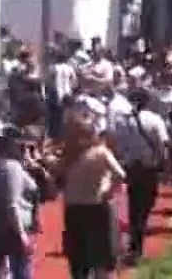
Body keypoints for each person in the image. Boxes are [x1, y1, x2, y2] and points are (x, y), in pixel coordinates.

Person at [57, 114, 126, 279]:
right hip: (97, 207)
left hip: (75, 209)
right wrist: (108, 192)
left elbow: (56, 180)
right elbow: (120, 175)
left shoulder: (69, 156)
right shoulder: (100, 152)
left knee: (79, 259)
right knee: (100, 258)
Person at [110, 87, 169, 264]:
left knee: (134, 205)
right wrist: (165, 166)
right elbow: (162, 145)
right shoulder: (154, 120)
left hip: (130, 168)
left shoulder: (121, 121)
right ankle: (137, 245)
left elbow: (116, 143)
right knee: (146, 206)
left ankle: (135, 244)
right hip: (148, 169)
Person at [0, 127, 45, 279]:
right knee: (22, 272)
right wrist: (22, 235)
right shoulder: (12, 168)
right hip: (13, 230)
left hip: (0, 226)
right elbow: (12, 204)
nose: (25, 149)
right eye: (21, 146)